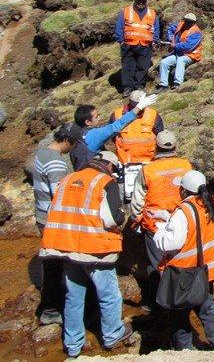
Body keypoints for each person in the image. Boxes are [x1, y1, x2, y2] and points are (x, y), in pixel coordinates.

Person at [39, 150, 132, 358]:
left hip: (67, 246)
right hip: (95, 249)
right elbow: (112, 218)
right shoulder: (105, 182)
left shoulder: (68, 179)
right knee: (109, 294)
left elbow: (55, 209)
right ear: (110, 166)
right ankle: (112, 334)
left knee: (73, 296)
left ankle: (73, 344)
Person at [154, 170, 214, 352]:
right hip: (205, 270)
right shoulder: (207, 204)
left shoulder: (183, 211)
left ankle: (185, 352)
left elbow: (172, 242)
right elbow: (195, 226)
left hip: (184, 273)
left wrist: (160, 232)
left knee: (179, 317)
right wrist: (168, 217)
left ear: (183, 190)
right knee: (207, 310)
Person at [130, 130, 192, 312]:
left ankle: (160, 302)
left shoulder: (147, 170)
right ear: (175, 146)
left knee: (157, 263)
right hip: (181, 220)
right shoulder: (185, 165)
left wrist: (136, 219)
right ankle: (183, 297)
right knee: (182, 259)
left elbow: (137, 201)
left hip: (155, 223)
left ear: (155, 147)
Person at [33, 123, 83, 326]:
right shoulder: (56, 163)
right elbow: (59, 196)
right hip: (53, 220)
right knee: (55, 264)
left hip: (41, 215)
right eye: (75, 143)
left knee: (52, 263)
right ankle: (50, 310)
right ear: (68, 141)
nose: (75, 148)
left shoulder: (42, 152)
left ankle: (53, 303)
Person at [70, 94, 159, 170]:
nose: (99, 118)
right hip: (93, 173)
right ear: (87, 122)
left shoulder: (75, 135)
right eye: (96, 117)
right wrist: (139, 107)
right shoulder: (93, 135)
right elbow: (116, 126)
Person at [115, 0, 159, 96]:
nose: (141, 2)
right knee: (127, 67)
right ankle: (127, 87)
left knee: (143, 67)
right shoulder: (126, 11)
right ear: (134, 0)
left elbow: (156, 28)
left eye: (143, 0)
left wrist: (154, 41)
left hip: (145, 45)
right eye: (139, 0)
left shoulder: (152, 13)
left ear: (146, 1)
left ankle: (139, 86)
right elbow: (119, 26)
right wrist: (121, 41)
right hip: (128, 44)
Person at [109, 90, 164, 165]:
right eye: (134, 105)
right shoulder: (117, 115)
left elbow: (160, 136)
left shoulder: (153, 115)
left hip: (149, 161)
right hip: (125, 161)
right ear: (129, 102)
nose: (138, 108)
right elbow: (111, 135)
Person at [157, 12, 203, 91]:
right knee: (164, 62)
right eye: (186, 20)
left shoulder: (196, 32)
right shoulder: (181, 25)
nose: (187, 23)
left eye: (190, 21)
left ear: (194, 22)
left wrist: (175, 46)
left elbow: (188, 47)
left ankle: (178, 83)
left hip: (191, 55)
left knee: (181, 60)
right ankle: (163, 85)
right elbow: (170, 28)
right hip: (178, 53)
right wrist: (171, 39)